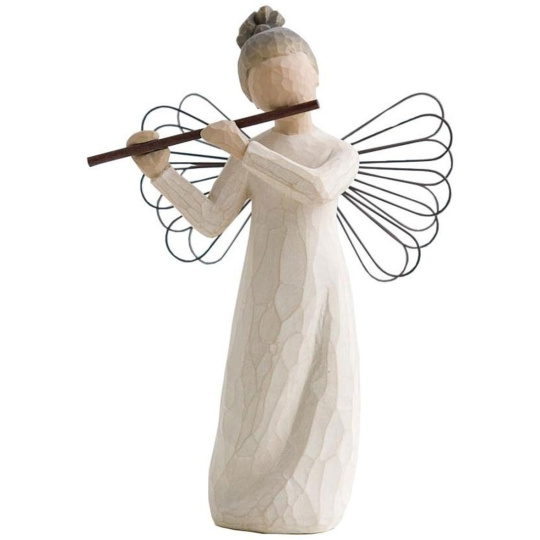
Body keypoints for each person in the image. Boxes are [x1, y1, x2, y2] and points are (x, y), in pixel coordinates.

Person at [128, 6, 361, 534]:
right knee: (257, 393)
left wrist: (244, 148)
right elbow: (211, 219)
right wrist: (161, 173)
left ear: (316, 75)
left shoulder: (335, 151)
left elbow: (318, 189)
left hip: (322, 290)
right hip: (263, 288)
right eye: (269, 88)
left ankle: (310, 499)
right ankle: (242, 496)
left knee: (320, 389)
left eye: (292, 77)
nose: (284, 94)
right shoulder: (253, 151)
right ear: (252, 99)